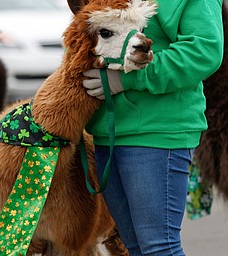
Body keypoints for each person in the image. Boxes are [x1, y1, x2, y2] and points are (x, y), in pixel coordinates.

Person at [83, 0, 224, 255]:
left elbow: (204, 50)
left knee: (159, 247)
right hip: (108, 133)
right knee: (133, 245)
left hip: (158, 132)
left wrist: (131, 77)